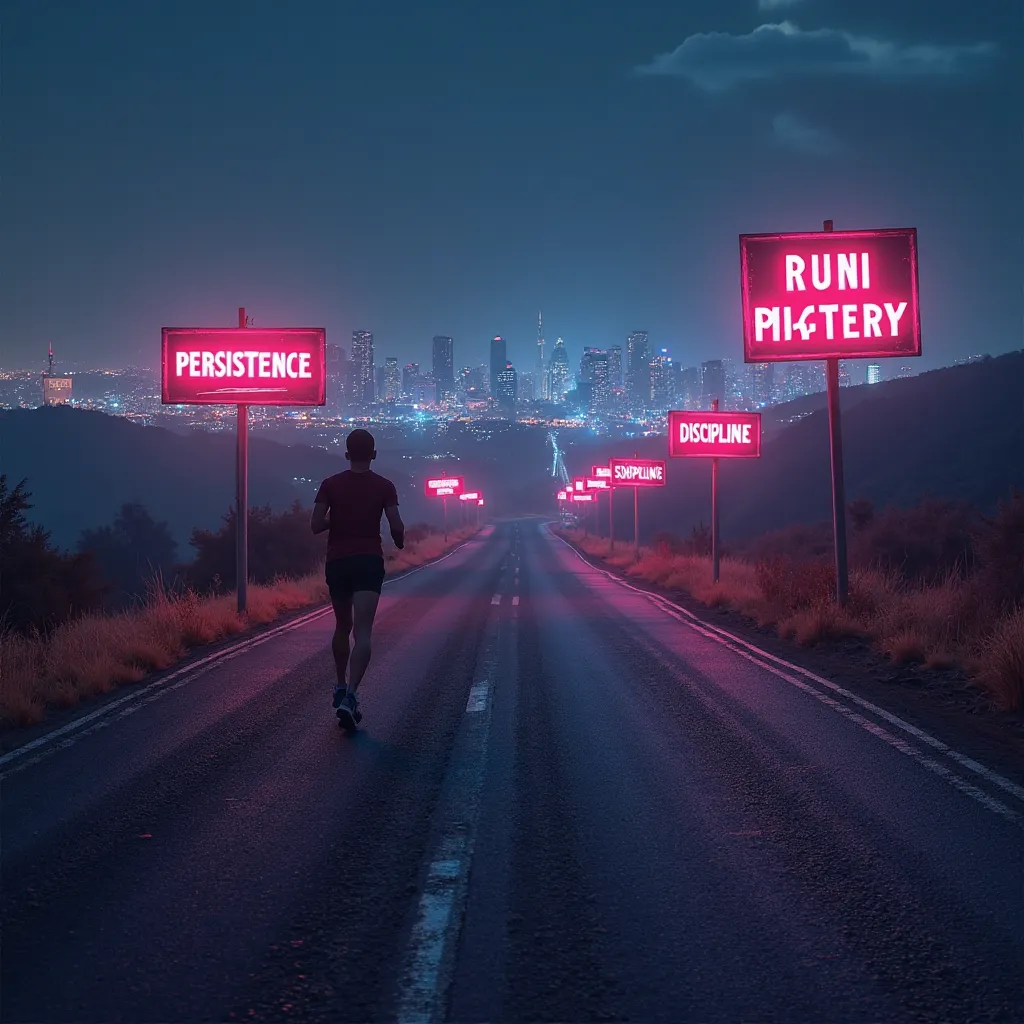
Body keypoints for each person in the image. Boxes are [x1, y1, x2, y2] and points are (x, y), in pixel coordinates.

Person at [311, 428, 404, 729]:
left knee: (342, 626)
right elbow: (396, 525)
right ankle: (351, 695)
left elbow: (315, 525)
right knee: (363, 631)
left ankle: (339, 686)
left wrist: (338, 520)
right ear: (374, 454)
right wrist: (400, 542)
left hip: (338, 561)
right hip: (368, 561)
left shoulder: (330, 485)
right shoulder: (385, 486)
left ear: (347, 454)